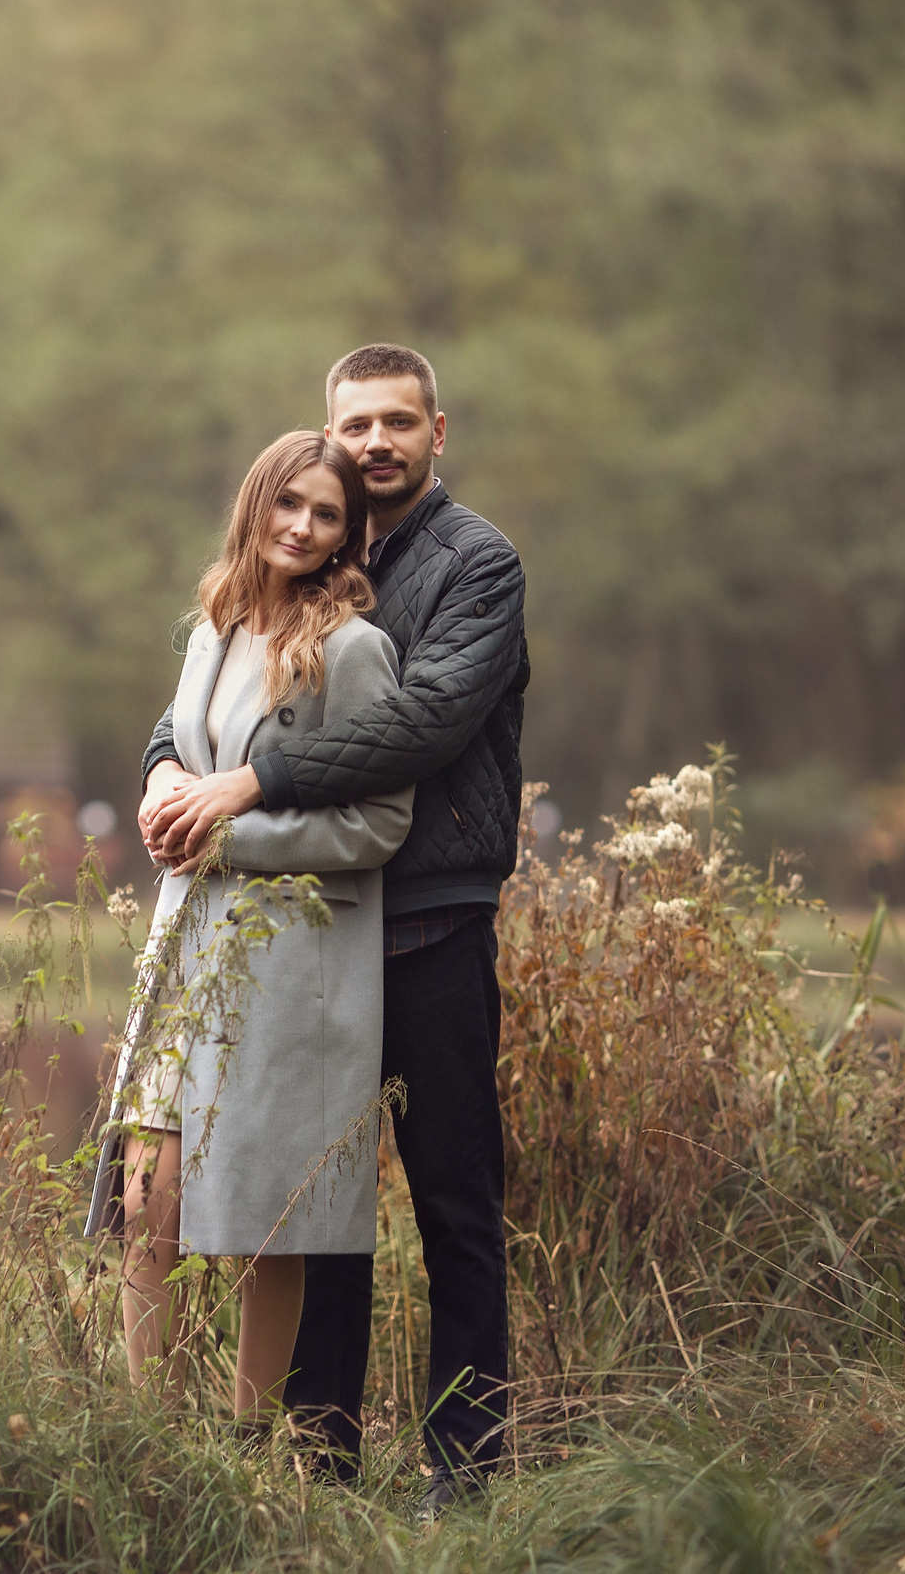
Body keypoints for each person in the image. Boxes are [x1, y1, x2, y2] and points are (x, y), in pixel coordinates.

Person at [140, 344, 528, 1511]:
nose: (374, 443)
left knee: (455, 1200)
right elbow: (204, 703)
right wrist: (167, 770)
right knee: (318, 1203)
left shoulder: (477, 564)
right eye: (354, 422)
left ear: (436, 432)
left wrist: (247, 786)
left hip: (427, 922)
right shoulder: (320, 549)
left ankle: (463, 1473)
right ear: (327, 429)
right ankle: (319, 1465)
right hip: (311, 936)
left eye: (396, 422)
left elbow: (419, 725)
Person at [86, 429, 414, 1429]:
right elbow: (182, 750)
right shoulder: (212, 632)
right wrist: (160, 788)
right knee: (148, 1202)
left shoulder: (354, 652)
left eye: (328, 515)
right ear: (254, 504)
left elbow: (380, 820)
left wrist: (233, 841)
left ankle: (242, 1442)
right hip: (187, 943)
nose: (304, 528)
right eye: (291, 505)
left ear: (346, 533)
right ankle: (151, 1433)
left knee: (270, 1219)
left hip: (290, 954)